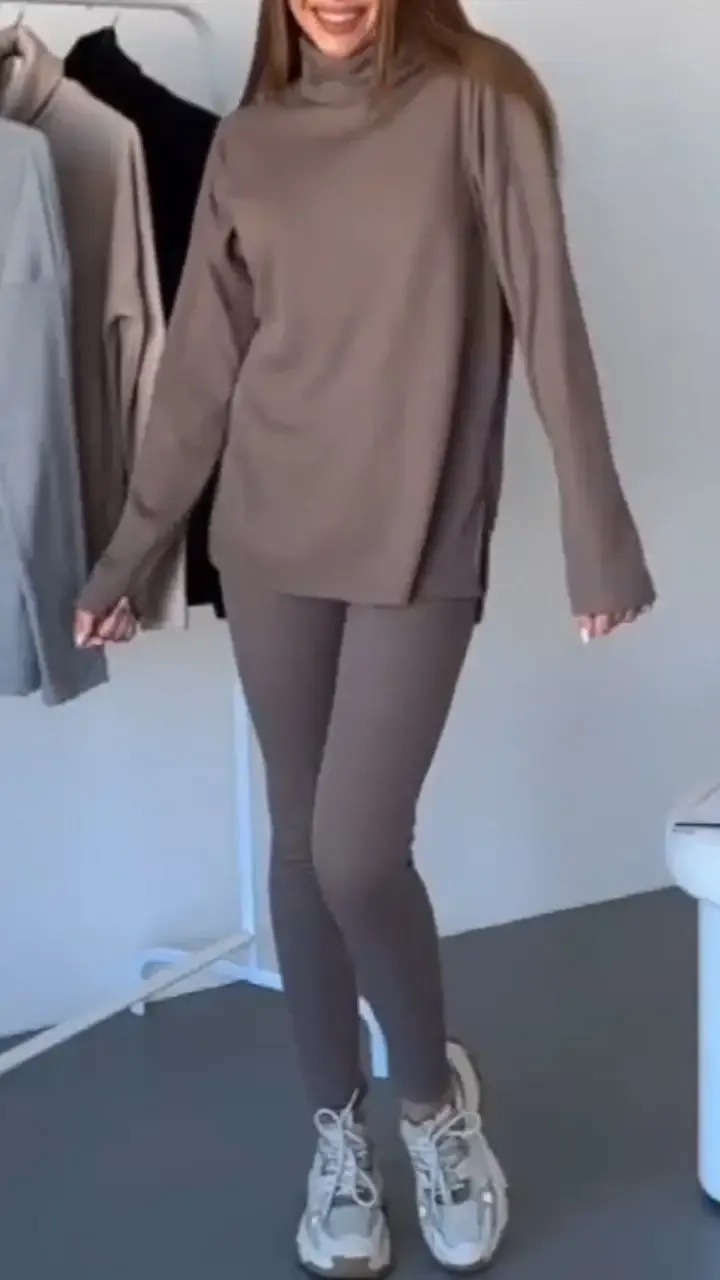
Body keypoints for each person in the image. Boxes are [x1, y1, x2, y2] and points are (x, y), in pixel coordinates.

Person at [74, 0, 656, 1274]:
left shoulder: (481, 102)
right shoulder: (252, 140)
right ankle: (336, 1130)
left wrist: (598, 533)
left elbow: (549, 317)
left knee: (355, 846)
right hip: (269, 537)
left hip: (420, 535)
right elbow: (201, 370)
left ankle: (432, 1102)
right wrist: (132, 549)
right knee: (301, 844)